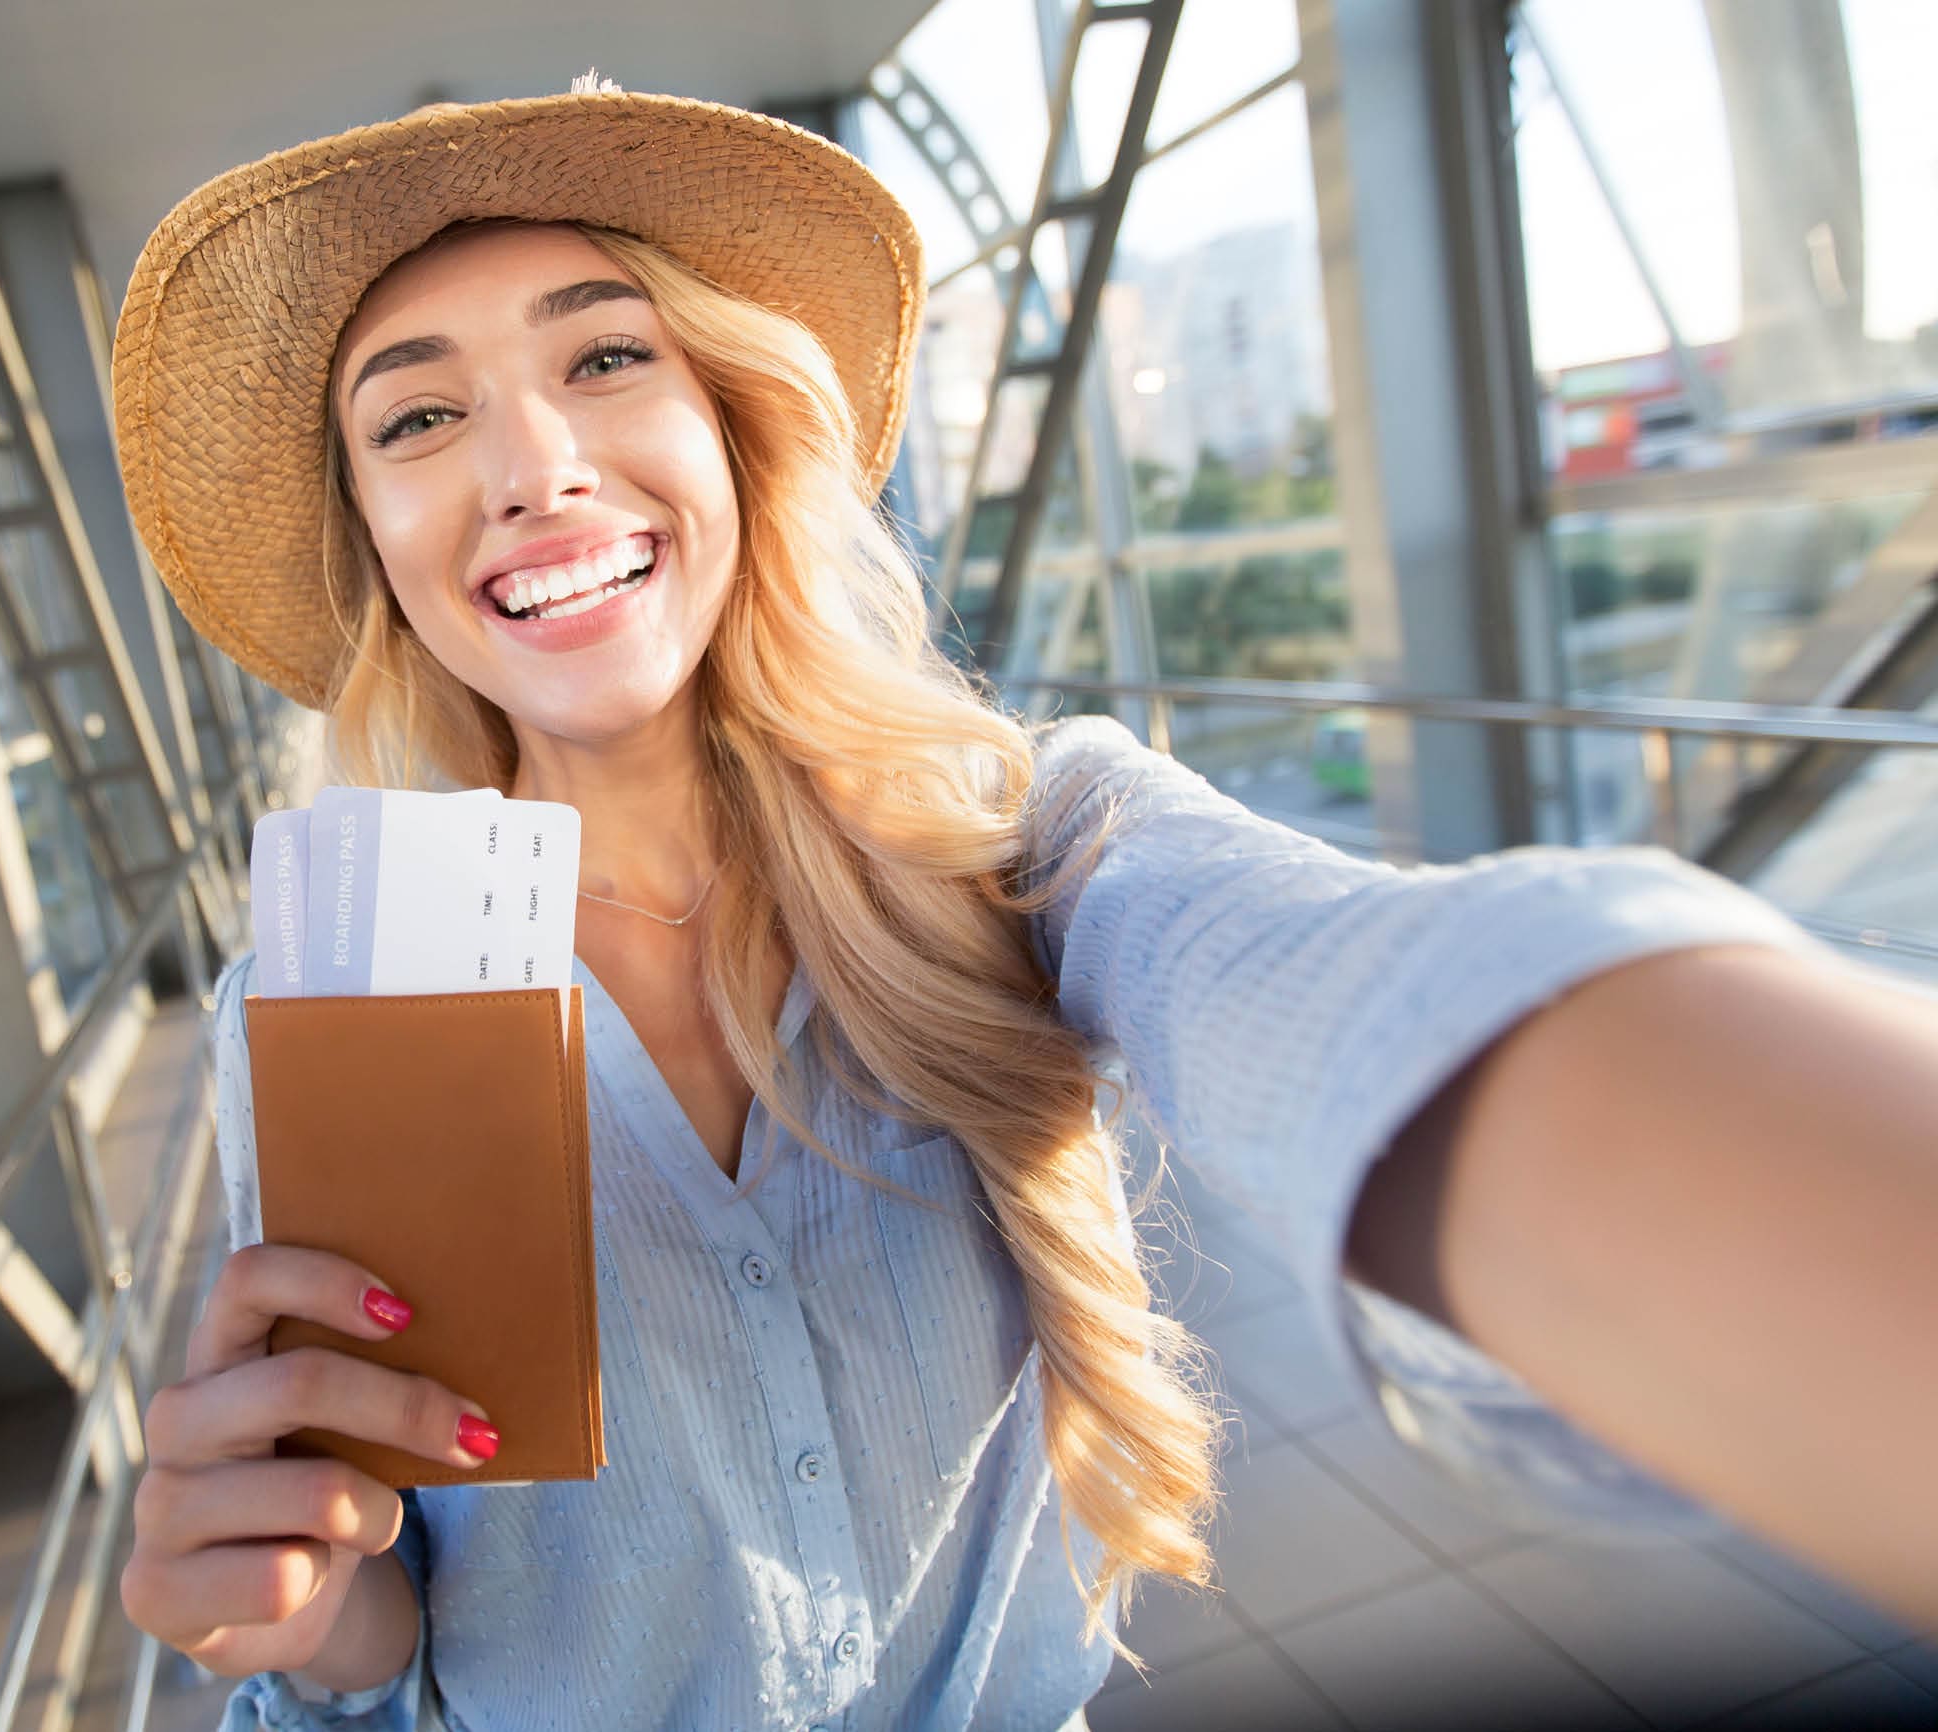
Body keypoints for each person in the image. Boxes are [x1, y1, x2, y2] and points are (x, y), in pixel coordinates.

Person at [107, 83, 1938, 1731]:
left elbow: (1345, 980)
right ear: (377, 541)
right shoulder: (331, 995)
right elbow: (392, 1615)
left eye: (605, 358)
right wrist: (314, 1615)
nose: (533, 470)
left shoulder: (1018, 840)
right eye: (421, 415)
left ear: (734, 426)